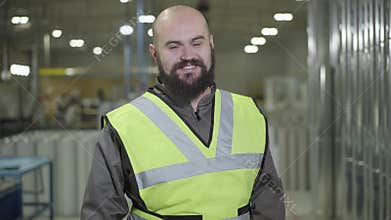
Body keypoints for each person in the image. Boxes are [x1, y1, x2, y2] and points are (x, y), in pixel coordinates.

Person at [81, 5, 285, 220]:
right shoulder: (124, 125)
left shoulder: (248, 114)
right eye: (173, 46)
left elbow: (268, 200)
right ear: (154, 53)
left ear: (211, 44)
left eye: (197, 43)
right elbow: (100, 214)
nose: (188, 56)